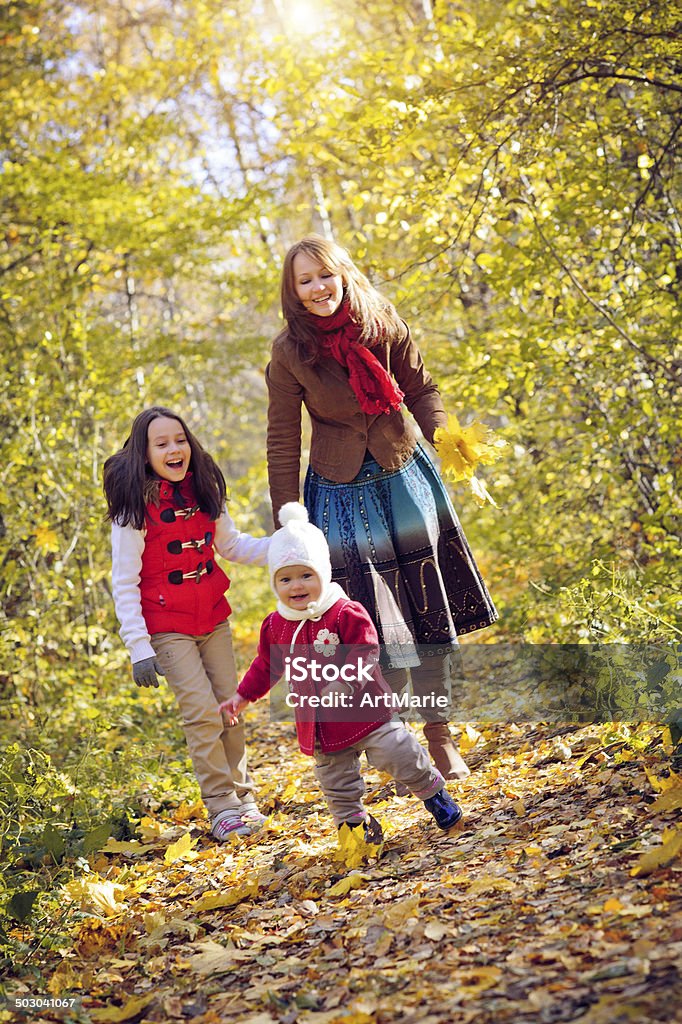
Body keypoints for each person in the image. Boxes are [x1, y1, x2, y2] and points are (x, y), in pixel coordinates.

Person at [265, 234, 498, 781]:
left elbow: (421, 388)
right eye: (305, 281)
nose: (318, 288)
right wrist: (286, 514)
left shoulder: (382, 321)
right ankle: (398, 742)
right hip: (338, 490)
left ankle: (439, 735)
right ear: (293, 292)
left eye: (324, 275)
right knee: (370, 619)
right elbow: (282, 436)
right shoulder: (289, 351)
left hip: (403, 472)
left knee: (427, 607)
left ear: (341, 273)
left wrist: (446, 440)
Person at [220, 503, 463, 840]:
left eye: (306, 575)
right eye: (285, 578)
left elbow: (365, 651)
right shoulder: (276, 625)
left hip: (368, 712)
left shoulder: (344, 612)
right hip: (320, 725)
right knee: (337, 785)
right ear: (275, 583)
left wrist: (344, 682)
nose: (296, 586)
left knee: (399, 753)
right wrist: (243, 696)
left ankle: (435, 794)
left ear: (323, 571)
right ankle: (356, 831)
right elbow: (266, 664)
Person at [103, 406, 271, 841]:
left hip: (212, 618)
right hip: (166, 626)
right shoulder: (133, 509)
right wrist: (139, 647)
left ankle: (242, 796)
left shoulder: (204, 489)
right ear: (145, 454)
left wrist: (283, 548)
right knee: (200, 713)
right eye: (161, 444)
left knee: (230, 708)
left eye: (179, 440)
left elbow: (231, 545)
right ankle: (221, 807)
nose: (173, 449)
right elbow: (123, 581)